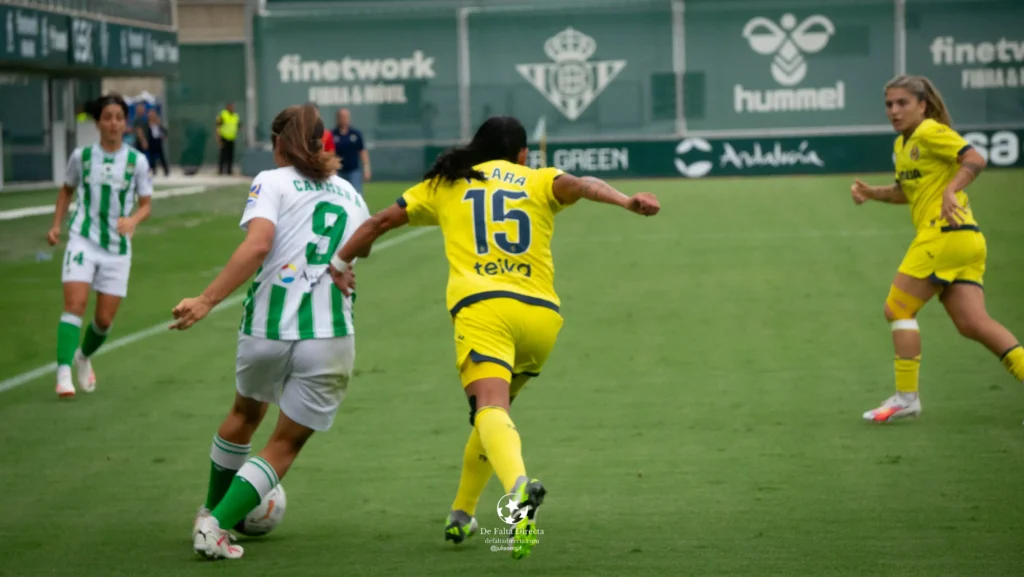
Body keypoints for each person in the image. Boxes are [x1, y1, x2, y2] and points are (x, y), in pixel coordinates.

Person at [327, 116, 660, 559]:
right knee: (492, 417)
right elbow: (583, 184)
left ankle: (519, 491)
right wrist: (626, 201)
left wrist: (339, 261)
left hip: (484, 310)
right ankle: (461, 514)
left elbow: (376, 224)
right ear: (522, 154)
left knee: (489, 410)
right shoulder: (539, 179)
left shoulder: (445, 184)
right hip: (541, 320)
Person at [172, 103, 368, 561]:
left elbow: (259, 244)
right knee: (284, 443)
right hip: (329, 334)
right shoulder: (352, 196)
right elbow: (353, 260)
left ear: (278, 142)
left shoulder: (270, 181)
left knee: (244, 414)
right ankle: (219, 524)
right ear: (325, 142)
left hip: (266, 327)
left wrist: (206, 299)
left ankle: (210, 513)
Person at [852, 74, 1024, 422]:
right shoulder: (903, 146)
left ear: (922, 105)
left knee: (897, 308)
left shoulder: (931, 131)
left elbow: (975, 158)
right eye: (889, 104)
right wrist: (873, 193)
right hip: (965, 239)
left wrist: (952, 189)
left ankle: (906, 399)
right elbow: (906, 192)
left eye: (902, 103)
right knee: (973, 323)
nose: (894, 111)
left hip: (942, 235)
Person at [47, 94, 153, 398]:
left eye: (119, 117)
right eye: (107, 117)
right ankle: (63, 374)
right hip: (83, 239)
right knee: (75, 305)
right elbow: (66, 192)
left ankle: (83, 357)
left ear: (126, 123)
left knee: (104, 321)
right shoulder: (81, 157)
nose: (113, 123)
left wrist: (133, 220)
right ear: (98, 123)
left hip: (117, 249)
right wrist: (56, 225)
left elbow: (146, 204)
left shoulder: (137, 161)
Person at [331, 108, 370, 192]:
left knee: (356, 193)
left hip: (354, 171)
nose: (344, 119)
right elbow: (331, 154)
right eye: (342, 117)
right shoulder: (332, 134)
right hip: (339, 171)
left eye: (346, 117)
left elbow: (362, 151)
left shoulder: (356, 134)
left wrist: (366, 168)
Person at [216, 102, 240, 175]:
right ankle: (220, 170)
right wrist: (218, 137)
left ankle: (229, 171)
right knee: (223, 155)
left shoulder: (235, 116)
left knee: (230, 155)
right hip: (224, 137)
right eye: (231, 107)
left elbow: (238, 125)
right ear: (227, 107)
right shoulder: (223, 115)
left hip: (232, 138)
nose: (232, 108)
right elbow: (217, 127)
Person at [146, 109, 170, 177]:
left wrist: (164, 136)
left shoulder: (158, 122)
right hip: (151, 141)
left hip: (158, 141)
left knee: (162, 156)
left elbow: (164, 130)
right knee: (152, 157)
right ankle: (154, 171)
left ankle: (166, 171)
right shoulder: (147, 123)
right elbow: (146, 132)